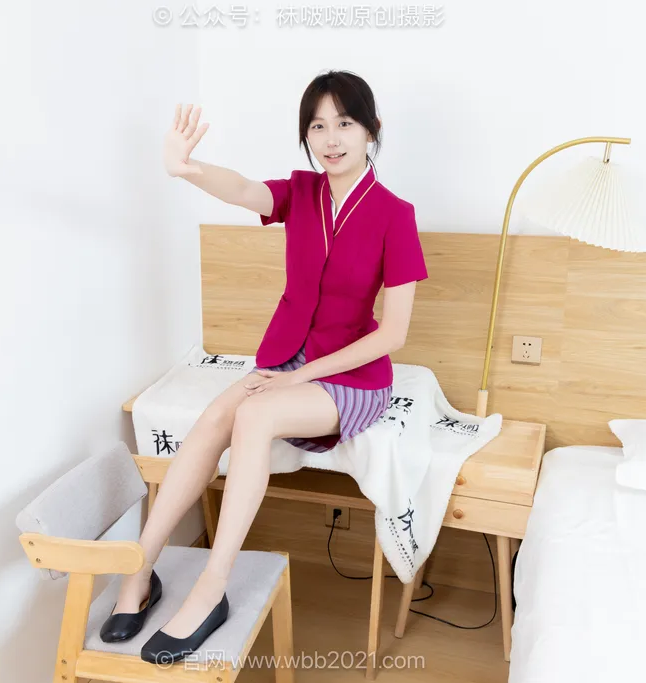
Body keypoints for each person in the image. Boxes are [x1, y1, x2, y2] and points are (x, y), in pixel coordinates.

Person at [101, 70, 429, 665]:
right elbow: (244, 189)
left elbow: (394, 333)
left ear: (371, 130)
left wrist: (300, 376)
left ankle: (211, 588)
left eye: (345, 123)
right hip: (290, 358)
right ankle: (139, 570)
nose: (331, 139)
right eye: (317, 127)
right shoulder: (302, 192)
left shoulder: (395, 214)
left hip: (351, 377)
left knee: (253, 416)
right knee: (214, 418)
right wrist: (186, 168)